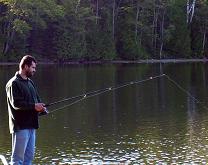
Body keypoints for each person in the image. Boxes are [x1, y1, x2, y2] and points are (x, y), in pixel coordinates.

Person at [5, 55, 48, 165]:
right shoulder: (13, 83)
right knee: (17, 160)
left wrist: (41, 108)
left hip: (31, 125)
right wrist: (34, 106)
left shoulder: (30, 82)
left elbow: (36, 99)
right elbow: (16, 104)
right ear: (25, 66)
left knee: (29, 158)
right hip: (20, 126)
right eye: (33, 68)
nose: (34, 70)